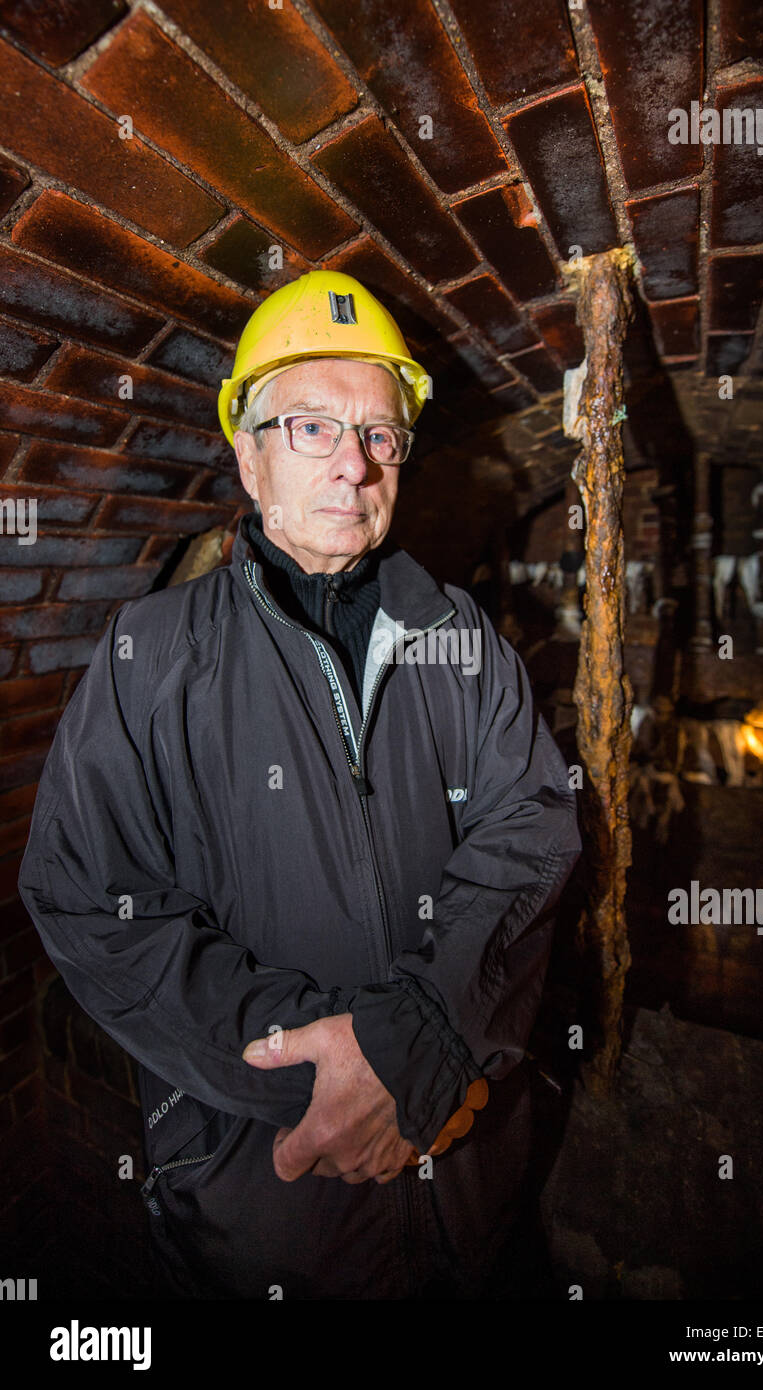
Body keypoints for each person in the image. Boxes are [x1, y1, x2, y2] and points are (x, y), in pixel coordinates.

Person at [18, 270, 581, 1300]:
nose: (353, 467)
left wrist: (423, 1033)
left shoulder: (460, 637)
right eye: (311, 428)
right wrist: (319, 1071)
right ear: (248, 454)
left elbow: (530, 830)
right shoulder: (149, 654)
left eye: (377, 434)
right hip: (267, 1211)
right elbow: (88, 897)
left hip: (467, 1190)